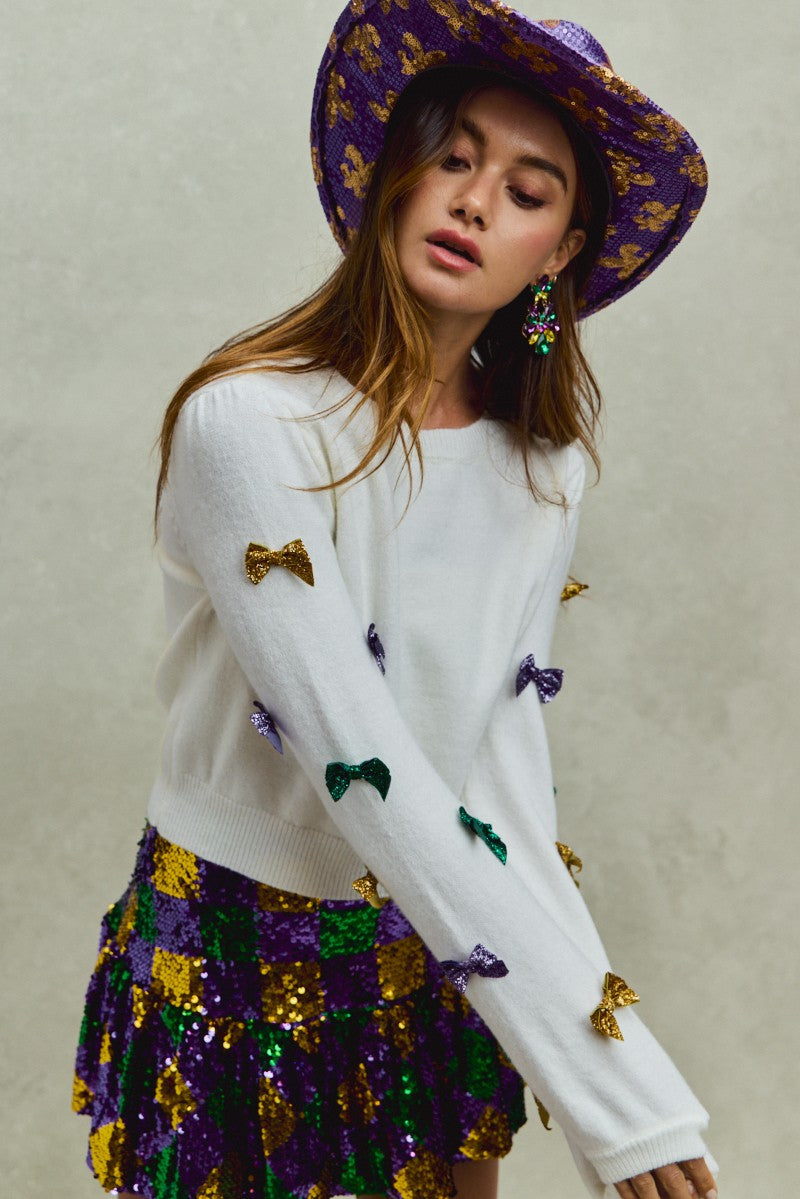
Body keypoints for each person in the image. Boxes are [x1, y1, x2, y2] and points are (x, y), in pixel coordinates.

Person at [71, 4, 718, 1199]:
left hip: (441, 940)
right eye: (452, 157)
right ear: (394, 176)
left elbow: (498, 770)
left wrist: (612, 1083)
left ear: (558, 251)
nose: (472, 203)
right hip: (238, 948)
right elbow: (351, 749)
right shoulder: (249, 422)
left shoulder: (541, 467)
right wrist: (612, 1082)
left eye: (525, 191)